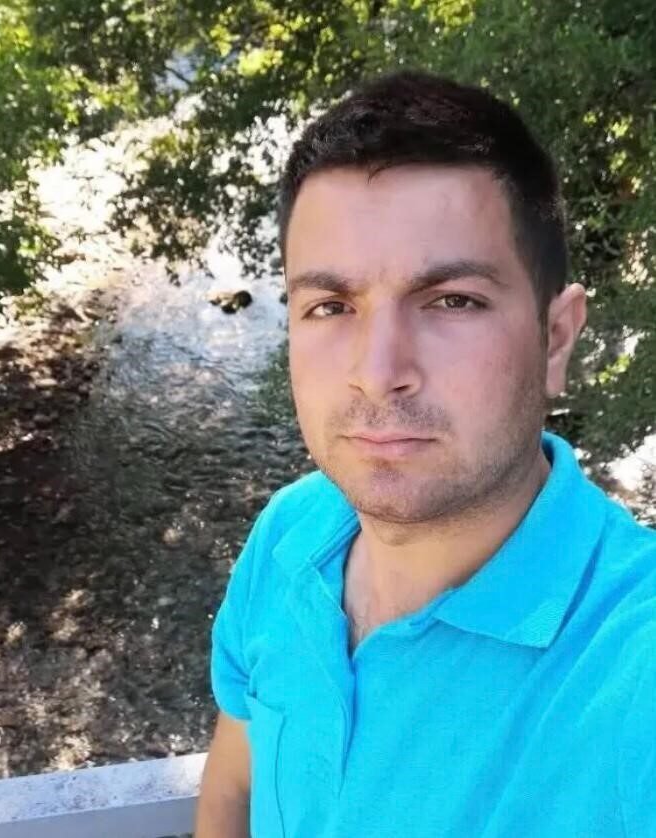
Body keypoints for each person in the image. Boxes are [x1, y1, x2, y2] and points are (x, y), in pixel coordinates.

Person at [194, 71, 656, 838]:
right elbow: (234, 789)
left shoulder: (632, 671)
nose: (379, 372)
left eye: (452, 301)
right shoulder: (289, 535)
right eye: (331, 306)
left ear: (555, 339)